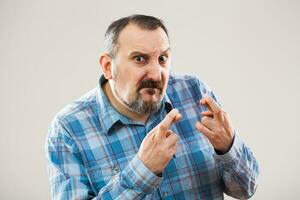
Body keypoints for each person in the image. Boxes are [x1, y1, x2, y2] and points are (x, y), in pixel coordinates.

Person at [45, 14, 259, 200]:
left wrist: (228, 147)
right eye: (140, 59)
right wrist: (142, 171)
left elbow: (245, 190)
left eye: (163, 58)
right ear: (108, 67)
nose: (156, 74)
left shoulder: (195, 93)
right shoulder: (68, 129)